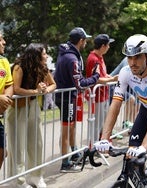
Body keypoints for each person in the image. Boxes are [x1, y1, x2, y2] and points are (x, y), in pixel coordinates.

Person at [94, 34, 147, 188]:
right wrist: (105, 137)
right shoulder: (126, 73)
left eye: (137, 57)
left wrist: (144, 146)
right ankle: (143, 178)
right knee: (131, 152)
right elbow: (116, 104)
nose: (133, 63)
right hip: (146, 111)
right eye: (129, 58)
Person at [6, 43, 56, 188]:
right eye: (44, 54)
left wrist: (45, 89)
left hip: (33, 106)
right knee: (18, 145)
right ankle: (18, 180)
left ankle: (36, 176)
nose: (46, 56)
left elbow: (54, 84)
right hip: (18, 109)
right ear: (36, 56)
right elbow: (16, 88)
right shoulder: (19, 67)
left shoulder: (42, 68)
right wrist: (36, 91)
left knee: (36, 143)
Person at [54, 27, 100, 172]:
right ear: (81, 41)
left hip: (66, 96)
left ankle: (73, 154)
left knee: (71, 127)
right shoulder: (72, 58)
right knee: (66, 130)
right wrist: (95, 77)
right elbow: (79, 84)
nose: (86, 42)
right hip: (67, 98)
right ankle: (65, 163)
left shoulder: (66, 53)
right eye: (85, 40)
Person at [86, 34, 118, 145]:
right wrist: (112, 79)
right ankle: (93, 146)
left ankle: (100, 143)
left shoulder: (99, 57)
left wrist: (110, 77)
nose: (109, 47)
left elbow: (102, 73)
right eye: (108, 45)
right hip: (97, 96)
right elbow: (95, 79)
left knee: (101, 122)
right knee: (96, 123)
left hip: (102, 95)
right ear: (103, 46)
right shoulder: (94, 59)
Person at [0, 31, 13, 170]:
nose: (4, 42)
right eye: (0, 39)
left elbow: (9, 84)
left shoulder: (4, 61)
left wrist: (7, 99)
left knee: (2, 150)